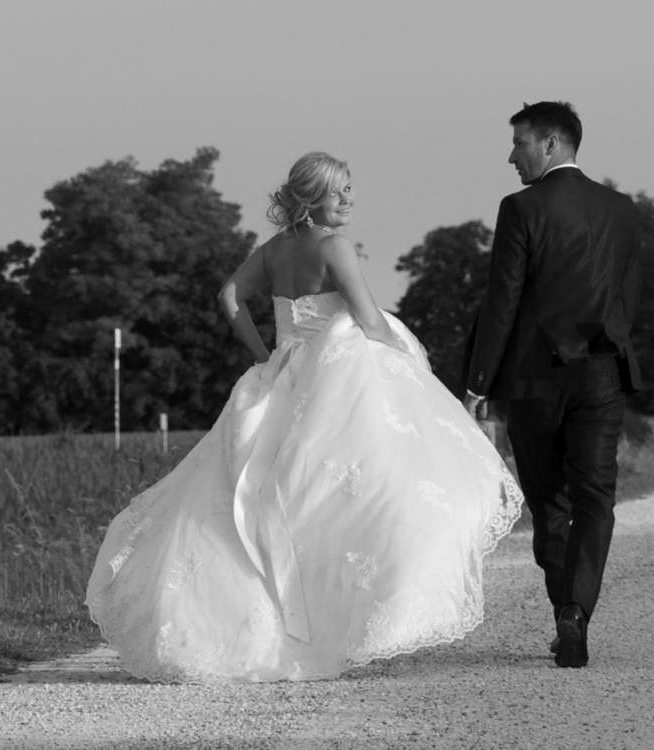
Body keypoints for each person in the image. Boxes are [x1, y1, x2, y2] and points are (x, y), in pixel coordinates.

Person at [85, 152, 522, 682]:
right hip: (334, 377)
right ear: (312, 198)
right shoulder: (335, 247)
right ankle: (355, 617)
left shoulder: (272, 251)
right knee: (359, 491)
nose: (350, 200)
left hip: (283, 375)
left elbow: (228, 296)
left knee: (266, 497)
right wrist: (413, 365)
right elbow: (367, 320)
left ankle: (259, 624)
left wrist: (261, 355)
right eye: (339, 193)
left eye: (350, 190)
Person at [464, 102, 642, 668]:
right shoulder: (621, 209)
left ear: (552, 144)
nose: (511, 154)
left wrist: (476, 381)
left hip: (535, 379)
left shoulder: (520, 208)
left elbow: (503, 301)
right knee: (596, 499)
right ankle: (577, 614)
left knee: (550, 503)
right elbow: (628, 296)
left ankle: (565, 608)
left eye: (519, 142)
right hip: (602, 373)